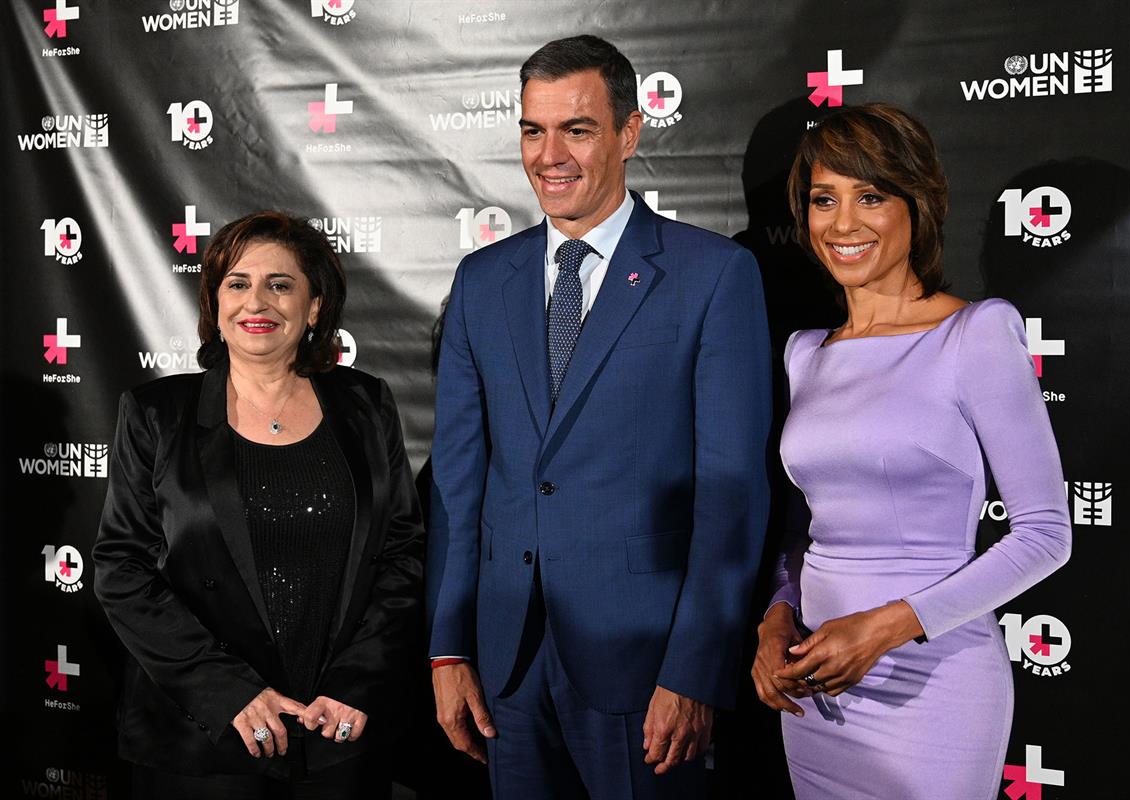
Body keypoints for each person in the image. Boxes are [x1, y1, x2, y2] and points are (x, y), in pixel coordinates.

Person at [425, 34, 772, 799]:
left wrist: (695, 669)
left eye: (576, 129)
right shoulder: (482, 281)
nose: (551, 154)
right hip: (507, 666)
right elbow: (457, 483)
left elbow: (731, 496)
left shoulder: (713, 277)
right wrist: (448, 649)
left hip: (648, 670)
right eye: (532, 130)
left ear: (628, 132)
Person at [751, 102, 1072, 799]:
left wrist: (886, 628)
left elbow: (1046, 535)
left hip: (935, 682)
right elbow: (804, 527)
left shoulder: (977, 334)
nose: (843, 223)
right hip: (816, 686)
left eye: (870, 196)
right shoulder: (806, 353)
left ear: (918, 203)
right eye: (823, 200)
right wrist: (777, 616)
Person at [93, 211, 424, 799]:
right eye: (237, 284)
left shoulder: (365, 405)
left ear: (315, 306)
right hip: (202, 741)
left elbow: (401, 554)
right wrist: (227, 692)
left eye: (280, 284)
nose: (257, 302)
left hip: (336, 735)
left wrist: (358, 681)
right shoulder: (155, 414)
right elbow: (123, 569)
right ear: (215, 305)